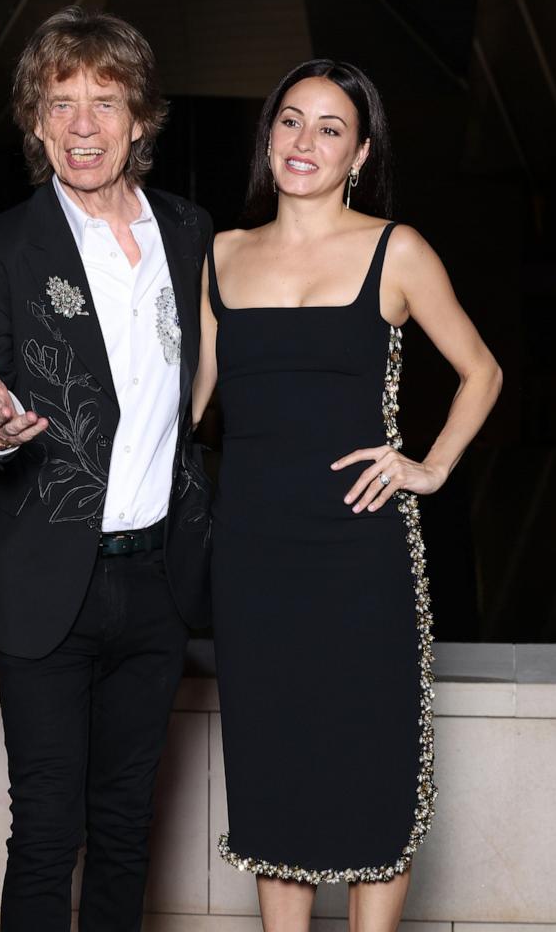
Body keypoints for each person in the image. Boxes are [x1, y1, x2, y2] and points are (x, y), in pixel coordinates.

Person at [192, 59, 502, 932]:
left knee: (371, 765)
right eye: (290, 120)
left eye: (330, 127)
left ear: (359, 152)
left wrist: (429, 465)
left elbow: (481, 370)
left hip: (361, 555)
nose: (305, 142)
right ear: (268, 136)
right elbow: (183, 410)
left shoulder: (394, 250)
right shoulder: (217, 256)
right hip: (251, 559)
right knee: (272, 773)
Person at [0, 6, 212, 932]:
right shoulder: (0, 249)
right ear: (35, 123)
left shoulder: (190, 234)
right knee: (48, 831)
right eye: (61, 105)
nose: (84, 125)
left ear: (140, 118)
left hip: (157, 584)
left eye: (105, 101)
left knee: (127, 828)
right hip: (44, 581)